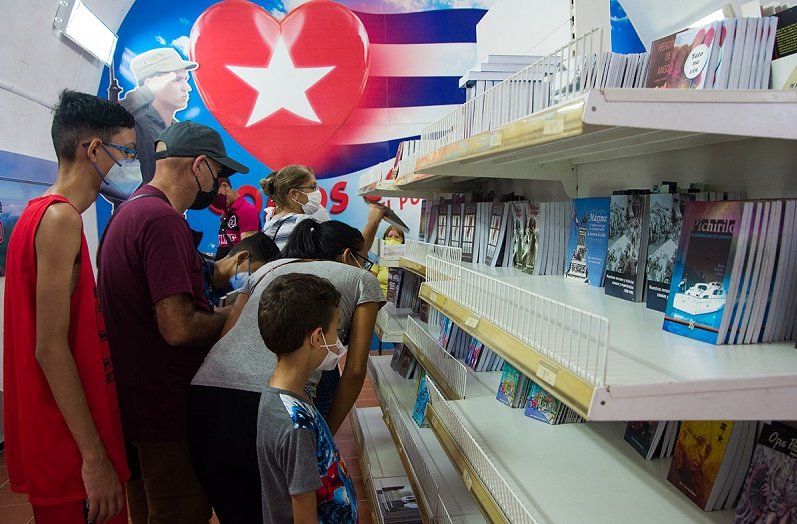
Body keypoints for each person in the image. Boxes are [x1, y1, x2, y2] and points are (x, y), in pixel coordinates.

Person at [97, 120, 248, 524]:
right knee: (180, 511)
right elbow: (178, 327)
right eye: (217, 174)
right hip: (166, 410)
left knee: (151, 509)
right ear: (199, 166)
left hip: (136, 405)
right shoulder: (162, 221)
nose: (218, 186)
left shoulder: (128, 212)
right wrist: (235, 315)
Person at [189, 220, 383, 523]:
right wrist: (324, 437)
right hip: (273, 402)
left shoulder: (271, 268)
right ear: (348, 255)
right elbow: (355, 371)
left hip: (205, 394)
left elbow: (227, 332)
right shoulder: (361, 279)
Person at [3, 90, 132, 523]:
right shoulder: (60, 219)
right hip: (72, 451)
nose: (126, 165)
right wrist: (94, 458)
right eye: (125, 152)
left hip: (67, 441)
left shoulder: (36, 215)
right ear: (94, 149)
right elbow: (50, 347)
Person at [256, 273, 357, 523]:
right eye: (337, 330)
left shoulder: (287, 394)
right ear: (316, 338)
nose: (339, 340)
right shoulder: (296, 426)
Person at [120, 47, 198, 187]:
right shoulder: (137, 123)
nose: (187, 87)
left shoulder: (175, 128)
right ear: (150, 83)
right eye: (177, 80)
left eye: (185, 80)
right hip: (143, 207)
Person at [260, 164, 385, 250]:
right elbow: (355, 252)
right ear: (294, 194)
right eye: (313, 187)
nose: (317, 192)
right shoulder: (305, 225)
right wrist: (374, 220)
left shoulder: (271, 223)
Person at [201, 231, 280, 307]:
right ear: (241, 258)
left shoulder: (231, 294)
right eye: (255, 272)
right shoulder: (195, 273)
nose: (255, 279)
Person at [213, 176, 261, 259]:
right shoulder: (225, 214)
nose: (212, 199)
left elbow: (248, 251)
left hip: (236, 270)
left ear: (225, 186)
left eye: (213, 194)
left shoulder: (247, 211)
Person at [375, 225, 406, 296]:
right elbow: (370, 280)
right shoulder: (379, 258)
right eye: (390, 236)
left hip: (398, 300)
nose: (392, 239)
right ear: (385, 238)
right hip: (378, 297)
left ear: (402, 240)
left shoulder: (405, 261)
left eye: (397, 237)